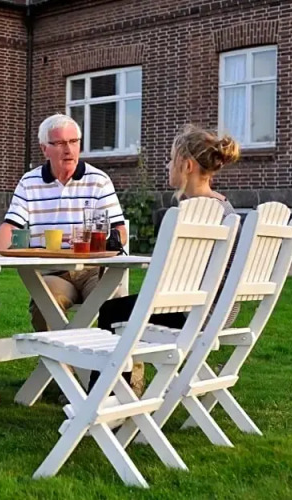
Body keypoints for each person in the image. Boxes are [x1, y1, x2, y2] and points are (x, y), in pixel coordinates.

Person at [95, 124, 242, 393]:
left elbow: (170, 277)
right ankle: (121, 391)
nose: (167, 166)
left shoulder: (193, 212)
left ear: (187, 166)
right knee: (125, 308)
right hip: (220, 312)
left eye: (171, 159)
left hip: (192, 313)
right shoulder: (225, 208)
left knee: (111, 311)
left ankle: (106, 396)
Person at [0, 113, 128, 332]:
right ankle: (58, 356)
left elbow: (120, 231)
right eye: (60, 143)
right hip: (54, 273)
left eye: (73, 141)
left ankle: (117, 356)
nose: (68, 149)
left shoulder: (99, 180)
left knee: (114, 300)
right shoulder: (29, 182)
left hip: (94, 270)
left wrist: (104, 241)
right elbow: (11, 226)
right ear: (44, 149)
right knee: (45, 303)